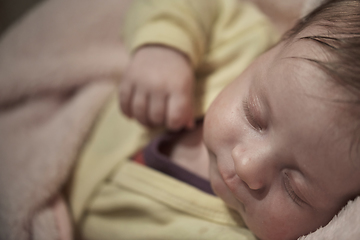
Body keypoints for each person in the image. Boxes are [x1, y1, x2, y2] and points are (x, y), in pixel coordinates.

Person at [67, 0, 360, 240]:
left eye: (294, 187)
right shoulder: (242, 44)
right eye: (255, 116)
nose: (247, 166)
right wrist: (166, 48)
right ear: (275, 47)